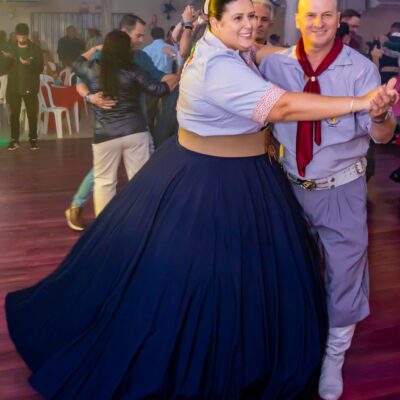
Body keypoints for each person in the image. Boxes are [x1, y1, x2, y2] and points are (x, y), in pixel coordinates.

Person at [6, 0, 397, 398]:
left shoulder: (234, 49)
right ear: (215, 20)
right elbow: (282, 106)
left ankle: (322, 354)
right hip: (224, 176)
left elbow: (263, 52)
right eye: (239, 18)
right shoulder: (219, 64)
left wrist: (316, 65)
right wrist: (359, 101)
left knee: (301, 274)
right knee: (210, 279)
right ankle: (214, 359)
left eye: (253, 17)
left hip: (275, 177)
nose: (250, 26)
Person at [259, 0, 398, 399]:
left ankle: (333, 358)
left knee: (344, 277)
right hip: (289, 188)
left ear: (338, 20)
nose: (318, 22)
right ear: (298, 19)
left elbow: (382, 137)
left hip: (342, 189)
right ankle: (298, 347)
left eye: (326, 15)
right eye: (311, 14)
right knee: (291, 272)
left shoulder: (360, 69)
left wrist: (380, 115)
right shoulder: (276, 66)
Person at [65, 14, 178, 231]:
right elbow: (80, 83)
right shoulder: (107, 58)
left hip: (122, 128)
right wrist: (91, 97)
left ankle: (111, 226)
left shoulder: (139, 57)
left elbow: (158, 76)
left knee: (108, 178)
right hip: (126, 127)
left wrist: (172, 77)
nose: (141, 40)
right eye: (138, 35)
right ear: (125, 34)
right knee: (109, 175)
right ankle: (79, 206)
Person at [0, 23, 43, 151]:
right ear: (16, 35)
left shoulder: (35, 49)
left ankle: (33, 139)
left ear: (27, 35)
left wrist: (30, 63)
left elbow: (40, 68)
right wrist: (7, 58)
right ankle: (14, 140)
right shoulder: (11, 49)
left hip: (30, 86)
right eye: (19, 36)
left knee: (32, 115)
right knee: (14, 115)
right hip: (14, 87)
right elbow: (3, 68)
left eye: (23, 36)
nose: (21, 39)